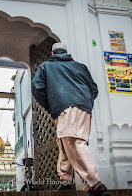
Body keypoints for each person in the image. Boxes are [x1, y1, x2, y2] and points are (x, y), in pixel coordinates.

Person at [31, 43, 110, 196]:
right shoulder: (81, 67)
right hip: (83, 107)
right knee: (65, 142)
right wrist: (85, 101)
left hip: (65, 106)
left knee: (74, 143)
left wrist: (52, 104)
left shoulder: (47, 66)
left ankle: (94, 184)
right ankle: (65, 180)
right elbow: (94, 88)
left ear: (53, 53)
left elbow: (37, 86)